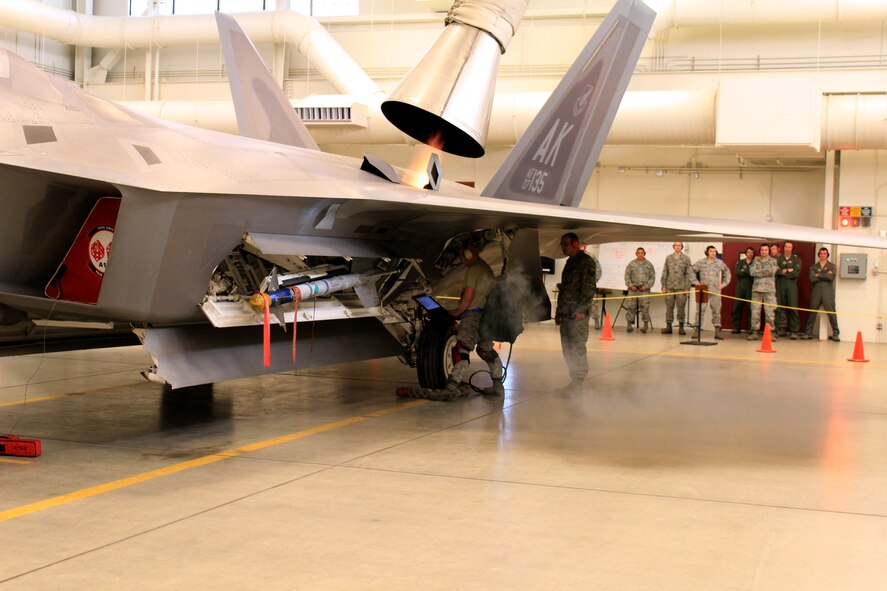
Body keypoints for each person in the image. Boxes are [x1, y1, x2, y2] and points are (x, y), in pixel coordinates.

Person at [444, 243, 504, 396]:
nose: (460, 259)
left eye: (461, 255)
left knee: (461, 348)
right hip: (488, 315)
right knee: (485, 350)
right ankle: (498, 385)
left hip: (474, 316)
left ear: (469, 254)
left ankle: (452, 385)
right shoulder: (485, 268)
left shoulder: (474, 269)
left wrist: (457, 311)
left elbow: (468, 297)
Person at [555, 232, 597, 395]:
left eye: (565, 244)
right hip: (566, 313)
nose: (563, 247)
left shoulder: (586, 262)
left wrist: (581, 310)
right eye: (562, 244)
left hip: (577, 315)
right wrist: (559, 312)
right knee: (567, 348)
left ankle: (578, 384)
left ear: (575, 244)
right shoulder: (569, 262)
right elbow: (566, 289)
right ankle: (574, 383)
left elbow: (588, 288)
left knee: (577, 347)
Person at [691, 245, 731, 339]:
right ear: (707, 252)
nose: (713, 253)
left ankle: (717, 331)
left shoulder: (719, 263)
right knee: (700, 311)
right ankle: (697, 330)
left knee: (716, 311)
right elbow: (691, 270)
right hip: (703, 290)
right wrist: (697, 283)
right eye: (711, 251)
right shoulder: (701, 262)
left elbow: (727, 272)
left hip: (715, 291)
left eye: (714, 251)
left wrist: (723, 284)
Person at [801, 247, 840, 341]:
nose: (822, 255)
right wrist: (825, 274)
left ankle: (836, 333)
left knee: (831, 312)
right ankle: (808, 332)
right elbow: (812, 278)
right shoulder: (814, 267)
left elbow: (830, 277)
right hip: (816, 291)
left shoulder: (832, 266)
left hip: (828, 292)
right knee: (812, 311)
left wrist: (818, 275)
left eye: (824, 253)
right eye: (821, 253)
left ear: (827, 255)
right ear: (818, 254)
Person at [660, 242, 695, 335]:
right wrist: (663, 286)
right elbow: (665, 272)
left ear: (682, 247)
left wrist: (687, 287)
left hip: (681, 287)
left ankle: (681, 327)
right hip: (670, 287)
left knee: (681, 308)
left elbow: (689, 274)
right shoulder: (669, 258)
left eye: (679, 245)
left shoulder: (686, 259)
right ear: (673, 247)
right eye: (676, 245)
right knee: (669, 308)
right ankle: (668, 327)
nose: (677, 247)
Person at [748, 243, 779, 340]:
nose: (764, 251)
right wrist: (764, 271)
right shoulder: (755, 261)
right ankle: (755, 332)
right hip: (757, 290)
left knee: (770, 313)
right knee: (755, 312)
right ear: (760, 251)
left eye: (766, 250)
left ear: (768, 251)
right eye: (762, 250)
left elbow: (772, 272)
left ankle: (770, 333)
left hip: (769, 290)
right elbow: (752, 272)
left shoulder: (773, 261)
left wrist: (760, 272)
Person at [624, 247, 655, 333]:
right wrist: (630, 285)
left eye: (642, 253)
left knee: (645, 307)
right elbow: (627, 276)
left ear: (644, 254)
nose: (640, 254)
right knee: (630, 306)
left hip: (644, 289)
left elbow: (652, 277)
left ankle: (645, 325)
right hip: (633, 289)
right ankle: (629, 324)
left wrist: (647, 286)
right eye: (638, 253)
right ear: (636, 254)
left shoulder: (649, 265)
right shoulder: (631, 264)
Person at [775, 240, 802, 339]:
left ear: (792, 249)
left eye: (789, 247)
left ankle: (794, 331)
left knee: (793, 308)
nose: (787, 249)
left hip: (791, 286)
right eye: (786, 247)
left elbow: (796, 273)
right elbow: (775, 271)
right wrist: (787, 270)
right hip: (780, 285)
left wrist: (782, 272)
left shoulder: (796, 259)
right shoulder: (778, 258)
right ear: (783, 248)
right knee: (778, 308)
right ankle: (778, 329)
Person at [731, 247, 755, 333]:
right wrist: (747, 272)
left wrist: (744, 270)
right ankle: (736, 327)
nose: (750, 254)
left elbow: (753, 273)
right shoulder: (740, 262)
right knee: (737, 306)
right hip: (740, 286)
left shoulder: (755, 262)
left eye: (752, 252)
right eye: (749, 252)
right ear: (746, 253)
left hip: (751, 286)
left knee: (751, 307)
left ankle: (751, 328)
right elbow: (737, 272)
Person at [589, 253, 604, 330]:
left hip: (589, 285)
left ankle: (596, 320)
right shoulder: (573, 255)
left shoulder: (591, 256)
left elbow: (598, 269)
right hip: (576, 285)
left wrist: (594, 281)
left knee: (593, 304)